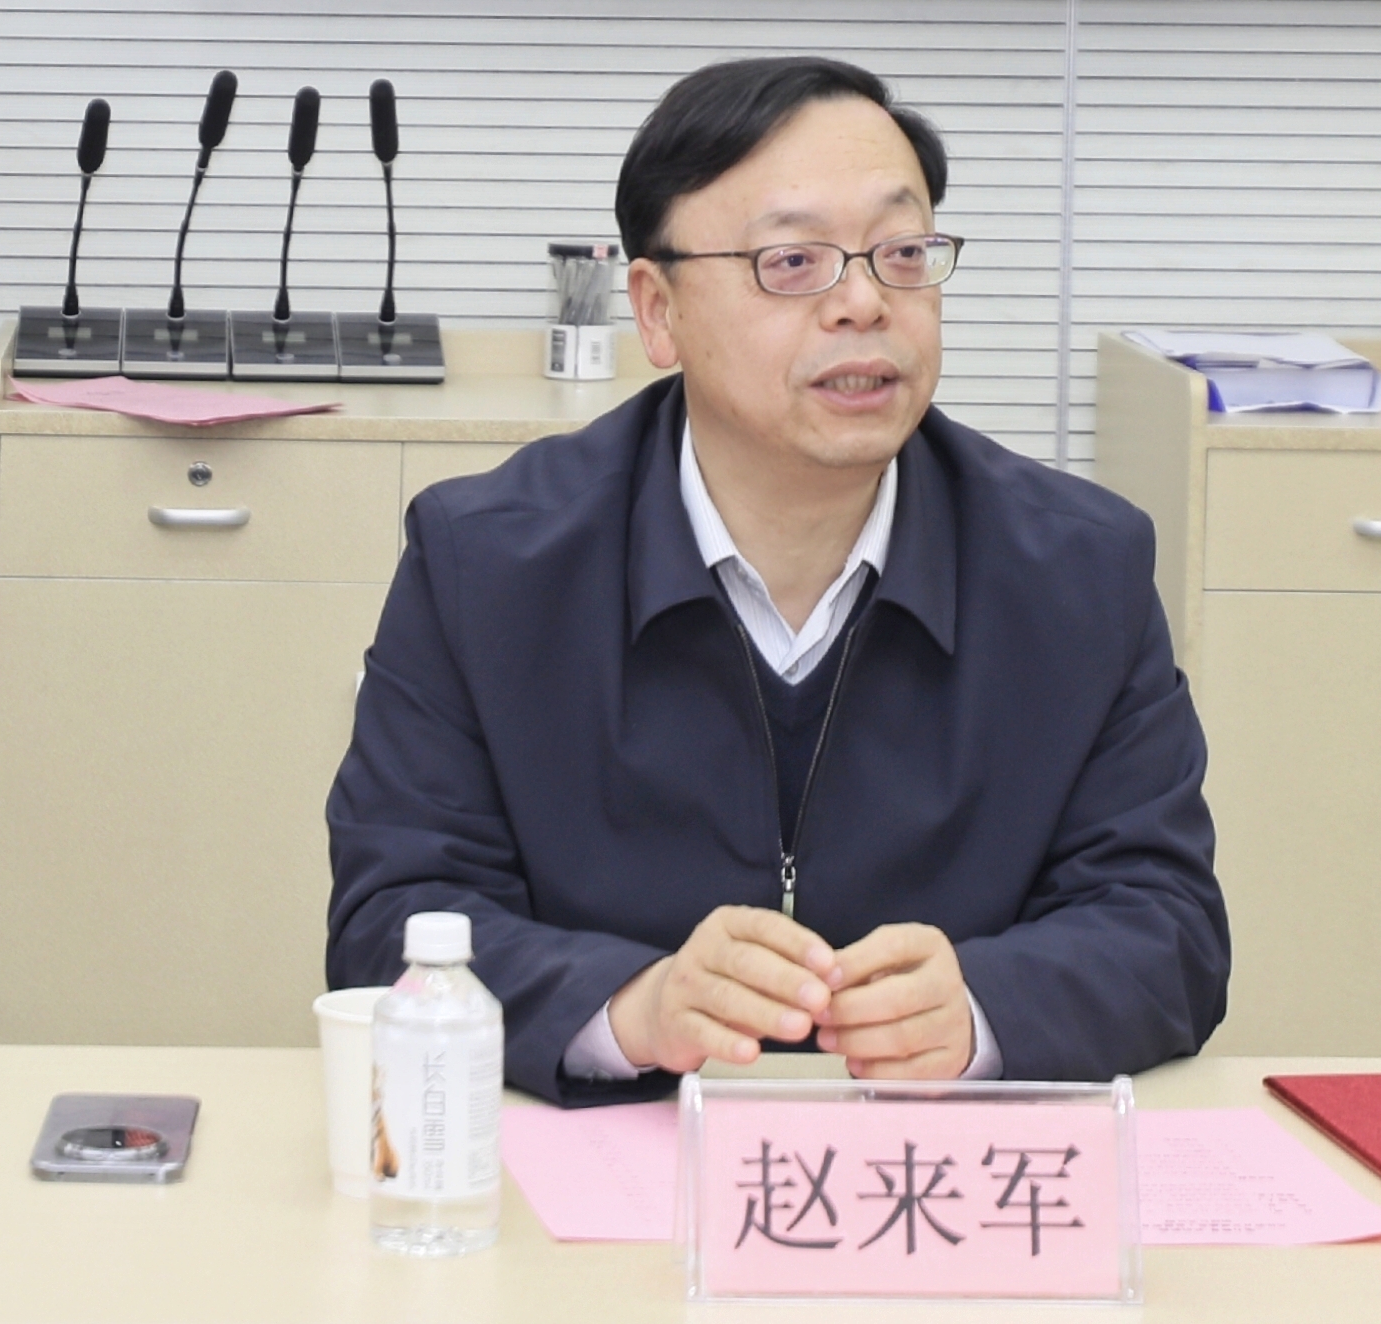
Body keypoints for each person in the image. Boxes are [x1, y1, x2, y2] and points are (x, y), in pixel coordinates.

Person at [325, 56, 1229, 1106]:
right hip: (608, 1167)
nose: (863, 303)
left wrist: (984, 1009)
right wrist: (628, 1006)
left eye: (902, 253)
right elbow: (391, 922)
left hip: (939, 1170)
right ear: (657, 311)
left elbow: (1168, 926)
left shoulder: (1079, 570)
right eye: (793, 262)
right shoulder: (486, 564)